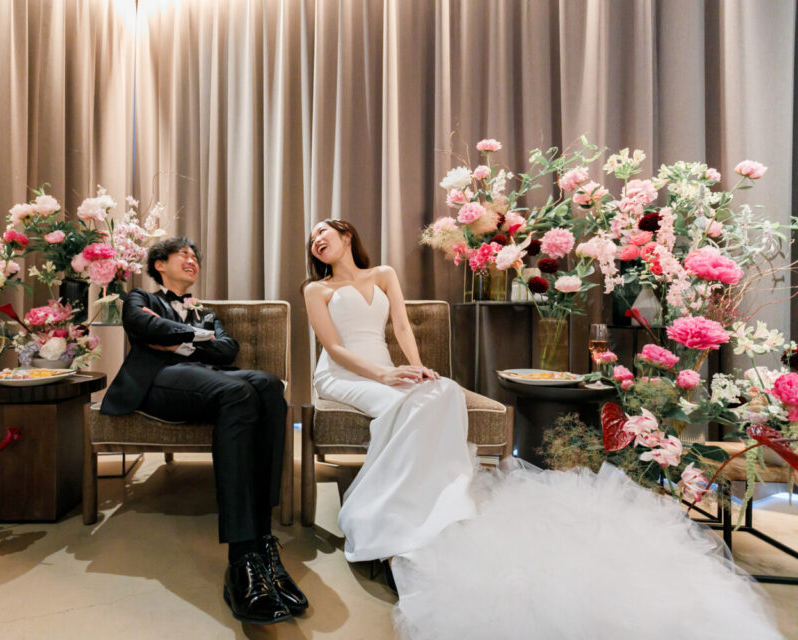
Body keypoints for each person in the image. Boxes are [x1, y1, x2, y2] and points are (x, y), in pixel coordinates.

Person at [302, 218, 782, 639]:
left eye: (323, 231)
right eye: (312, 240)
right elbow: (333, 347)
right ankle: (385, 506)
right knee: (402, 406)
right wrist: (384, 376)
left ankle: (436, 488)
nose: (316, 240)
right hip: (346, 374)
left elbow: (403, 329)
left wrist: (419, 369)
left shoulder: (383, 274)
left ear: (346, 234)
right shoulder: (315, 289)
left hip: (390, 368)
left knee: (443, 391)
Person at [101, 236, 307, 625]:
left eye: (195, 255)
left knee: (268, 386)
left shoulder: (205, 312)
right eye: (183, 254)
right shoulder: (140, 298)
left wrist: (177, 340)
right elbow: (142, 325)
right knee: (237, 392)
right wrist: (196, 338)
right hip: (157, 383)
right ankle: (242, 558)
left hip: (203, 378)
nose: (192, 259)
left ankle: (263, 543)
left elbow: (227, 350)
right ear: (159, 264)